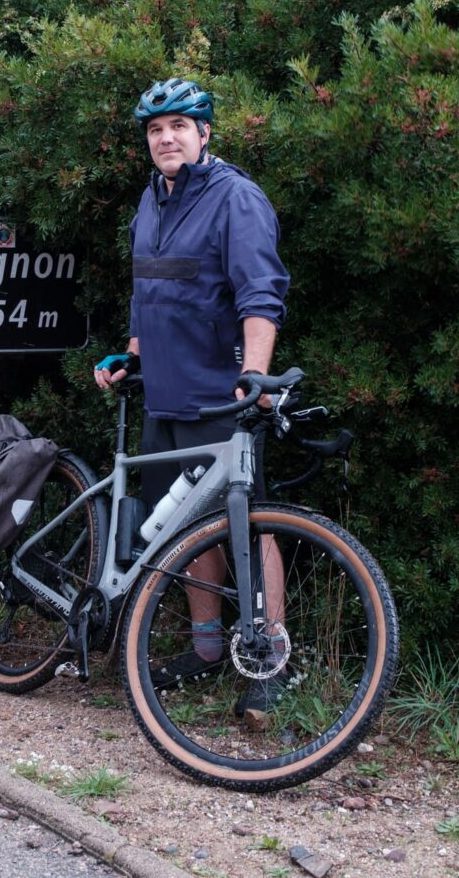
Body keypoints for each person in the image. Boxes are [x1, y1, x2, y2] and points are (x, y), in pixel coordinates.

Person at [94, 78, 290, 718]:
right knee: (183, 529)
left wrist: (255, 379)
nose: (166, 137)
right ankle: (206, 649)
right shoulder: (150, 201)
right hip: (164, 398)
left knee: (248, 526)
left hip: (221, 399)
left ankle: (271, 659)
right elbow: (149, 291)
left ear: (205, 133)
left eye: (179, 125)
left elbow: (261, 293)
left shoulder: (237, 198)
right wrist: (132, 351)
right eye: (155, 130)